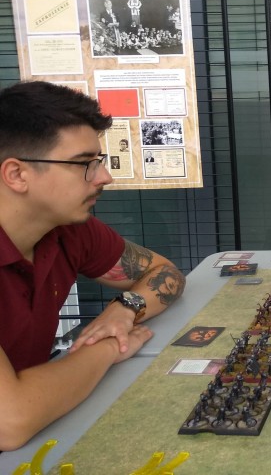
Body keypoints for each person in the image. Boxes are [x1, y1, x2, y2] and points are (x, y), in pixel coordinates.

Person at [0, 81, 186, 450]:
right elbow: (11, 422)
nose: (104, 177)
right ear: (17, 174)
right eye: (84, 164)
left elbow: (165, 273)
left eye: (98, 162)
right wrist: (108, 347)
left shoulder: (68, 230)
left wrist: (125, 308)